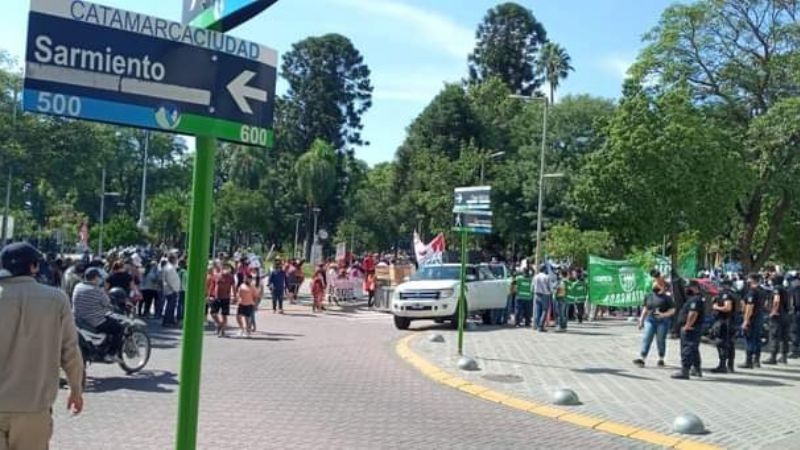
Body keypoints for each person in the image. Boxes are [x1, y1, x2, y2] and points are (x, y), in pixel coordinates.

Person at [0, 242, 84, 449]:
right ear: (34, 266)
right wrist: (76, 389)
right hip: (34, 406)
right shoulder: (56, 299)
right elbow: (70, 351)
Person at [72, 268, 124, 361]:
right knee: (119, 328)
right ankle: (111, 354)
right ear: (95, 278)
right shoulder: (97, 290)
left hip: (79, 319)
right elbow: (107, 303)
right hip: (94, 321)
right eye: (98, 277)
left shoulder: (78, 286)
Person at [633, 285, 675, 368]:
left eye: (658, 285)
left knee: (660, 340)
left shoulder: (667, 298)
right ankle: (642, 358)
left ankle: (661, 358)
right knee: (647, 338)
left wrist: (663, 314)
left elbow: (672, 310)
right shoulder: (649, 296)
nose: (655, 286)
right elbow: (645, 308)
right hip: (650, 320)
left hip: (662, 321)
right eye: (654, 284)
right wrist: (641, 321)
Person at [672, 280, 705, 379]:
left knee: (687, 349)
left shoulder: (695, 300)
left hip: (691, 328)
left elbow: (693, 313)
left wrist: (687, 325)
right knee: (693, 349)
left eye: (688, 287)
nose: (686, 289)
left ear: (695, 287)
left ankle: (685, 370)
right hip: (694, 328)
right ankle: (696, 369)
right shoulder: (696, 298)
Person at [710, 279, 737, 373]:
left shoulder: (726, 295)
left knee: (721, 343)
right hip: (732, 321)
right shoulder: (735, 294)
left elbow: (727, 307)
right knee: (730, 344)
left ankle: (722, 365)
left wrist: (715, 306)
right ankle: (730, 365)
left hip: (724, 321)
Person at [740, 274, 766, 369]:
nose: (747, 281)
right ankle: (756, 360)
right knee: (757, 339)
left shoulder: (752, 291)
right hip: (760, 316)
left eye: (749, 279)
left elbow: (750, 307)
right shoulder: (762, 291)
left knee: (749, 339)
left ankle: (748, 361)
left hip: (752, 318)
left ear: (752, 280)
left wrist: (746, 320)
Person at [764, 274, 790, 365]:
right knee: (784, 337)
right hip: (785, 315)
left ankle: (773, 357)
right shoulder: (785, 289)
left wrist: (774, 311)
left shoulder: (776, 289)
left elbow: (776, 300)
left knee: (774, 336)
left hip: (777, 316)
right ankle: (784, 356)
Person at [211, 264, 236, 337]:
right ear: (221, 269)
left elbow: (233, 287)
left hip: (226, 298)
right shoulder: (216, 276)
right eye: (224, 268)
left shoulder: (231, 277)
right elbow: (212, 286)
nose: (225, 270)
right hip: (216, 297)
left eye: (227, 268)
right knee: (213, 313)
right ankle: (219, 324)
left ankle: (222, 331)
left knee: (224, 315)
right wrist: (210, 295)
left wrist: (234, 296)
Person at [160, 255, 181, 327]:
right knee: (170, 307)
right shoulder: (170, 268)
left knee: (171, 306)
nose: (176, 261)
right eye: (176, 259)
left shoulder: (168, 267)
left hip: (169, 289)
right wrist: (175, 289)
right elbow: (170, 280)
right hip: (171, 290)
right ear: (173, 260)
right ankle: (167, 321)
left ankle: (170, 321)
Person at [533, 265, 552, 332]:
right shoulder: (546, 277)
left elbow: (532, 286)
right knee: (544, 310)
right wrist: (551, 292)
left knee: (538, 310)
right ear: (544, 270)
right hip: (545, 295)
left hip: (537, 294)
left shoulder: (535, 276)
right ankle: (541, 326)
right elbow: (550, 287)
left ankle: (537, 325)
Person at [177, 258, 188, 326]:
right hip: (183, 290)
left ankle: (179, 318)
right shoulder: (184, 272)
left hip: (180, 289)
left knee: (179, 304)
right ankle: (181, 318)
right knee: (182, 305)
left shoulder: (179, 271)